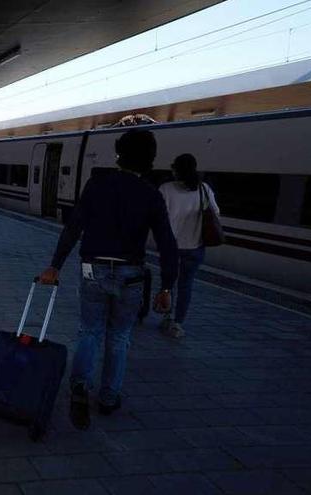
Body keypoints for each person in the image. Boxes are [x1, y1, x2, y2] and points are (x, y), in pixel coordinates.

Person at [38, 129, 178, 430]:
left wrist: (55, 266)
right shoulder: (151, 195)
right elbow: (167, 243)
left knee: (89, 330)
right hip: (131, 274)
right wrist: (167, 286)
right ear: (150, 160)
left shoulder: (96, 184)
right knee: (119, 336)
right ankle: (109, 397)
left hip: (93, 269)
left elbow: (73, 227)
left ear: (118, 155)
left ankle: (79, 386)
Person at [158, 153, 220, 339]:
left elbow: (158, 218)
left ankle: (166, 317)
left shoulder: (165, 189)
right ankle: (178, 324)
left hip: (171, 247)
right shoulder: (204, 189)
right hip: (195, 247)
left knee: (168, 284)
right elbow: (216, 213)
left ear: (175, 169)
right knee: (186, 286)